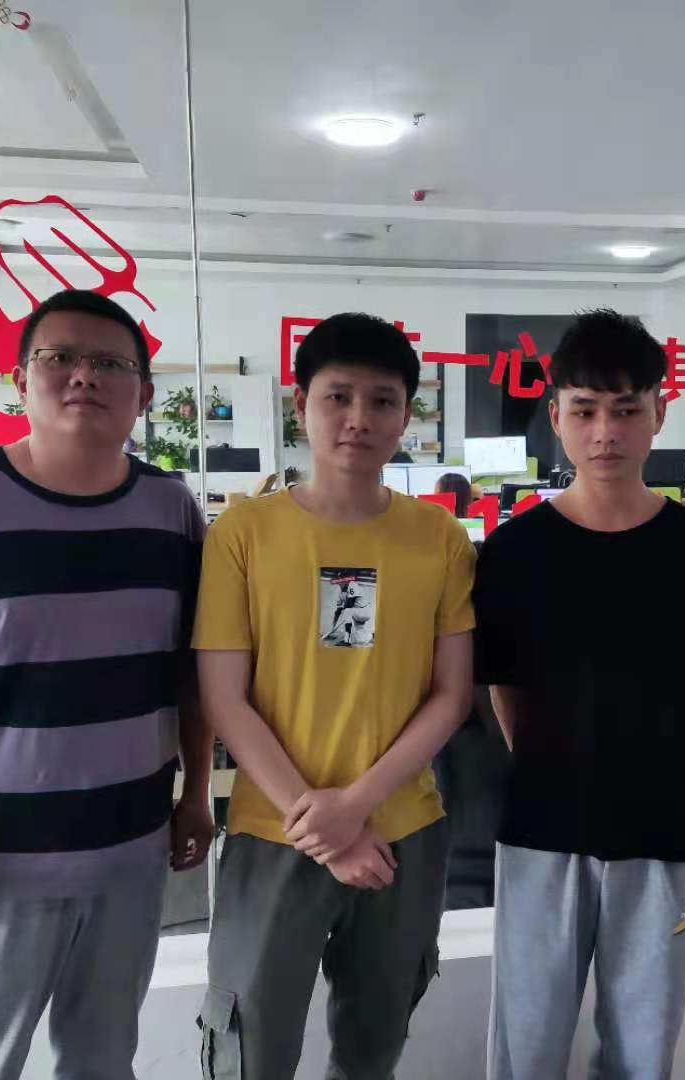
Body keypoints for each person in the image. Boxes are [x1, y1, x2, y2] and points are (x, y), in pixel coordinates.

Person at [0, 289, 212, 1080]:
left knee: (103, 1059)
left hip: (129, 850)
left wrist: (194, 795)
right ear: (19, 379)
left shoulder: (170, 511)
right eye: (60, 357)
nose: (84, 375)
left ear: (144, 395)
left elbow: (191, 673)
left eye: (110, 363)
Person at [474, 309, 685, 1080]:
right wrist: (561, 764)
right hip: (542, 828)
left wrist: (641, 760)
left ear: (659, 414)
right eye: (586, 410)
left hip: (663, 830)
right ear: (556, 416)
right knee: (525, 1045)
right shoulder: (513, 552)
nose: (606, 432)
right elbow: (505, 691)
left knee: (642, 1049)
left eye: (627, 410)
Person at [193, 312, 476, 1078]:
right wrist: (327, 828)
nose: (359, 418)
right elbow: (224, 699)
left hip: (402, 832)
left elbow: (451, 695)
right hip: (273, 829)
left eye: (382, 401)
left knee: (373, 1049)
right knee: (251, 1050)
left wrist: (356, 807)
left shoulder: (440, 539)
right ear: (301, 405)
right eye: (337, 397)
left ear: (407, 416)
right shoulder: (243, 534)